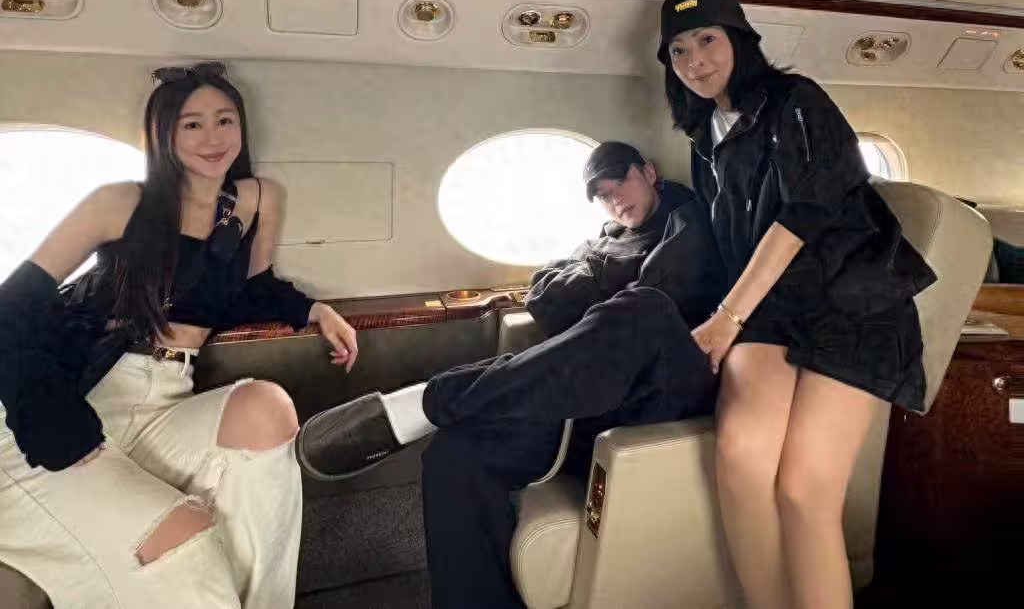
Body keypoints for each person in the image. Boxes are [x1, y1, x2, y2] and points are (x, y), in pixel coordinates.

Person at [297, 141, 724, 609]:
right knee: (454, 455)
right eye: (602, 195)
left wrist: (594, 283)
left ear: (649, 172)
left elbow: (657, 295)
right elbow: (543, 294)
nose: (614, 200)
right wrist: (600, 282)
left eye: (619, 182)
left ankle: (431, 400)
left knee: (644, 308)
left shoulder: (687, 221)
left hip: (660, 391)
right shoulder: (602, 240)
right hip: (588, 402)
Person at [0, 62, 358, 609]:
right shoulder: (120, 202)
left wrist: (313, 309)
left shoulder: (257, 200)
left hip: (167, 391)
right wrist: (54, 423)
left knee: (267, 409)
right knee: (180, 538)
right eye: (192, 125)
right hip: (80, 393)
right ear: (164, 134)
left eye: (224, 120)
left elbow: (251, 288)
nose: (212, 137)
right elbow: (12, 309)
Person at [657, 0, 937, 609]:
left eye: (707, 39)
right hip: (772, 308)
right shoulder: (704, 137)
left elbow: (804, 213)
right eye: (679, 50)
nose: (695, 60)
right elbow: (728, 244)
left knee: (804, 492)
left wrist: (727, 318)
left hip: (851, 301)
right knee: (740, 460)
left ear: (739, 39)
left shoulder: (796, 100)